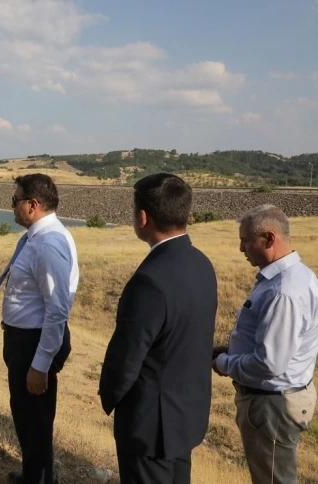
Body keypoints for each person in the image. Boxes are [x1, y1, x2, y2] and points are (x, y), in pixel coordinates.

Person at [98, 173, 218, 484]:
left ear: (142, 217)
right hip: (186, 415)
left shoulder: (149, 281)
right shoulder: (201, 264)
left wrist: (110, 396)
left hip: (151, 425)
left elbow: (126, 356)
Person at [0, 173, 79, 484]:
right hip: (24, 340)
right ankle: (34, 474)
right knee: (27, 416)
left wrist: (40, 364)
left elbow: (57, 309)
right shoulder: (38, 237)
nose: (12, 206)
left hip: (34, 343)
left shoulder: (48, 243)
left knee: (35, 419)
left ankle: (41, 479)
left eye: (15, 200)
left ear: (32, 205)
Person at [212, 204, 318, 484]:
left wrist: (224, 363)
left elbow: (269, 364)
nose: (241, 249)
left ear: (269, 238)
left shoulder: (283, 292)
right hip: (279, 399)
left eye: (246, 241)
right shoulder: (297, 276)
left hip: (272, 405)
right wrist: (233, 351)